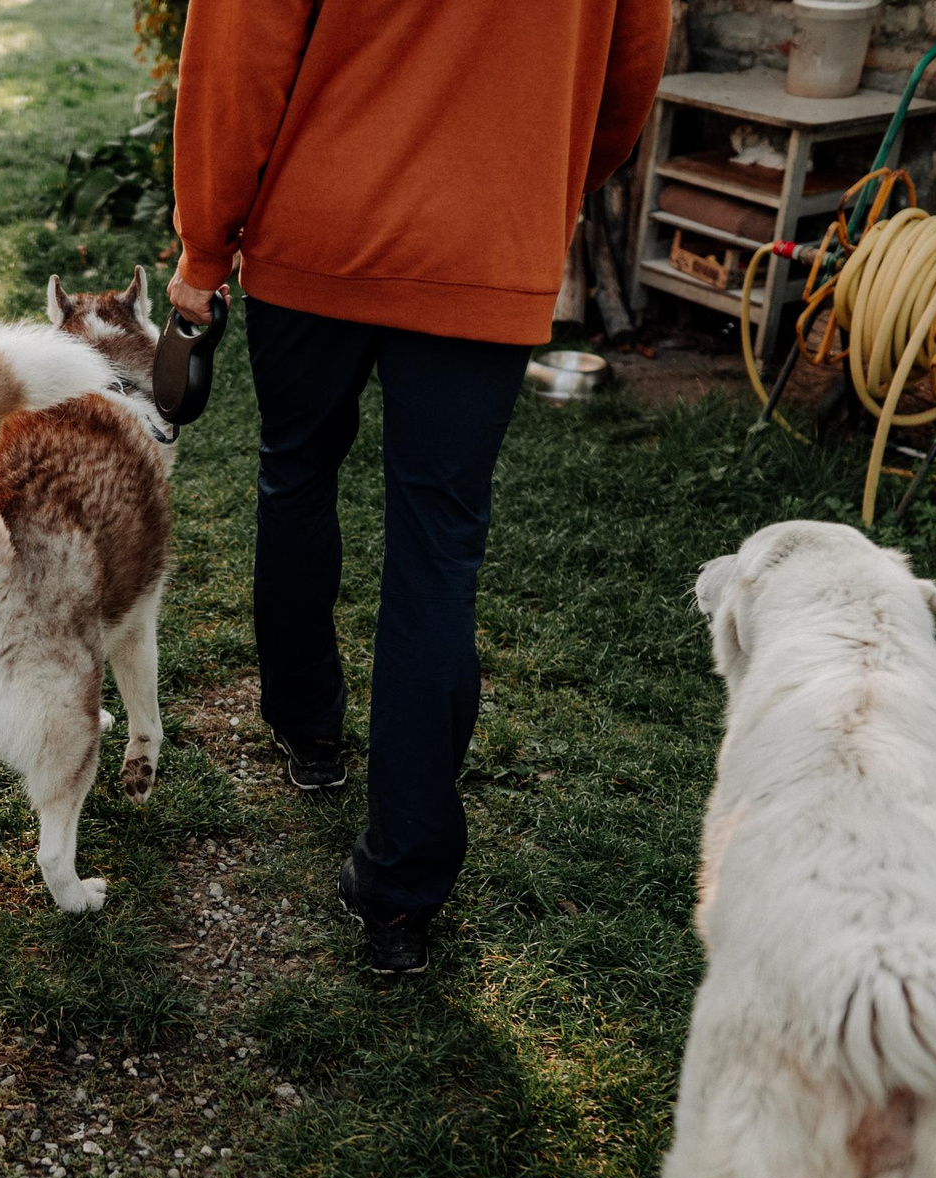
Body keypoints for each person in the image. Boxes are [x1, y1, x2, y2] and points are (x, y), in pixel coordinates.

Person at [170, 0, 669, 973]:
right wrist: (538, 175)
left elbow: (240, 48)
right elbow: (630, 70)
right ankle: (399, 892)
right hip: (489, 240)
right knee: (437, 548)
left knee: (296, 473)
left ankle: (308, 732)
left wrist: (202, 244)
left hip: (315, 229)